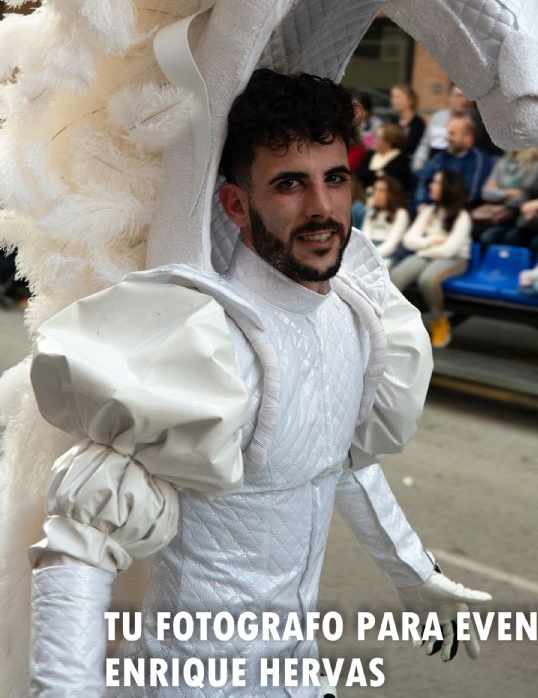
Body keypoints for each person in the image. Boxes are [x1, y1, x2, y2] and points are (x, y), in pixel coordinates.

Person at [27, 71, 489, 697]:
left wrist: (411, 570)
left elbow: (336, 459)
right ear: (237, 206)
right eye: (290, 184)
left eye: (334, 178)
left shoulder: (355, 319)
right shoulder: (211, 342)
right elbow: (80, 542)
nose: (321, 208)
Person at [392, 170, 471, 348]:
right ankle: (396, 324)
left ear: (448, 188)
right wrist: (431, 241)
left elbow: (449, 250)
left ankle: (440, 321)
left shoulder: (462, 216)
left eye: (436, 183)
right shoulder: (429, 211)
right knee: (396, 276)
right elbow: (408, 240)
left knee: (428, 279)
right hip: (428, 254)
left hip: (456, 259)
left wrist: (425, 246)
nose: (431, 186)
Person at [413, 116, 492, 210]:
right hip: (433, 208)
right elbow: (424, 181)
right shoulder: (441, 156)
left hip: (460, 212)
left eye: (452, 134)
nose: (447, 137)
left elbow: (472, 194)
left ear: (468, 138)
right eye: (448, 133)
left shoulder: (479, 160)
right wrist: (421, 203)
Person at [476, 148, 538, 246]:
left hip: (518, 215)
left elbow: (521, 197)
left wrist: (498, 189)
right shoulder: (502, 162)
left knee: (502, 238)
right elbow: (486, 193)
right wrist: (509, 192)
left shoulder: (535, 165)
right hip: (496, 212)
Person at [411, 83, 471, 171]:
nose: (463, 100)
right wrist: (418, 163)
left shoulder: (471, 121)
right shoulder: (438, 117)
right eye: (458, 96)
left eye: (466, 96)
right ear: (449, 98)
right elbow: (425, 143)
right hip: (434, 164)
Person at [361, 176, 410, 268]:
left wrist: (371, 257)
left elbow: (392, 244)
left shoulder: (401, 213)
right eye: (375, 190)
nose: (376, 194)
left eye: (381, 191)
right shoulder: (371, 212)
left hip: (389, 253)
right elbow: (365, 237)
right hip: (370, 248)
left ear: (392, 194)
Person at [355, 121, 411, 192]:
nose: (374, 140)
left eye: (378, 138)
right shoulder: (370, 154)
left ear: (389, 141)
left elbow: (391, 181)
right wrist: (376, 173)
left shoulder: (400, 160)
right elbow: (359, 173)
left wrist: (370, 174)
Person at [390, 83, 425, 162]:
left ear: (410, 100)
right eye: (393, 97)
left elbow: (411, 148)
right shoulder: (393, 121)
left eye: (398, 97)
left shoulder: (418, 123)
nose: (394, 100)